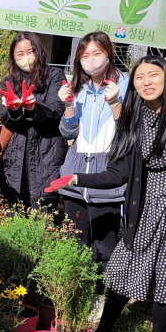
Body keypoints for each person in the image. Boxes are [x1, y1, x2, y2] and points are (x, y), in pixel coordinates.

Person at [45, 56, 166, 332]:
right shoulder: (132, 120)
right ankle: (104, 331)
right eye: (140, 77)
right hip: (143, 208)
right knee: (122, 270)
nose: (147, 82)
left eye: (153, 75)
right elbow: (119, 173)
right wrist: (76, 177)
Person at [55, 32, 130, 278]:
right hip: (76, 172)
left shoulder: (127, 86)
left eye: (97, 53)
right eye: (85, 55)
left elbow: (129, 135)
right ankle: (75, 294)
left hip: (106, 175)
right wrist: (68, 106)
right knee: (75, 241)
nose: (91, 60)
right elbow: (68, 132)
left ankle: (101, 295)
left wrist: (116, 103)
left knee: (104, 245)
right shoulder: (79, 88)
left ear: (109, 54)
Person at [0, 31, 67, 210]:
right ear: (13, 57)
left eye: (30, 51)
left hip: (47, 153)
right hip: (16, 155)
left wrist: (34, 108)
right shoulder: (8, 81)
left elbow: (57, 110)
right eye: (20, 53)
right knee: (15, 211)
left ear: (39, 51)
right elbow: (4, 117)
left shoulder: (54, 75)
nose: (25, 57)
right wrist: (13, 110)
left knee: (43, 212)